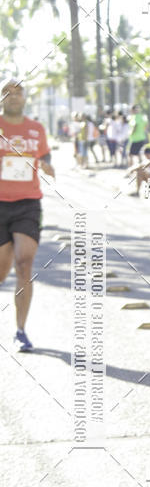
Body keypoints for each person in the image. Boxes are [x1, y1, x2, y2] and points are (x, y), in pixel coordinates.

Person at [0, 79, 55, 351]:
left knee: (24, 264)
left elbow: (46, 156)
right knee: (2, 269)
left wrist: (47, 166)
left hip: (28, 203)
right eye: (7, 93)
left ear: (24, 98)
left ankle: (20, 331)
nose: (13, 97)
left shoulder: (36, 129)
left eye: (18, 93)